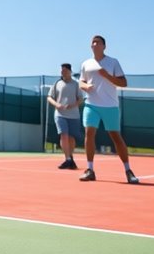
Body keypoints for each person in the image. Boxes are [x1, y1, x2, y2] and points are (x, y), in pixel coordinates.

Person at [78, 35, 139, 184]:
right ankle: (90, 170)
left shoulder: (113, 62)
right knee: (89, 133)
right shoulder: (86, 64)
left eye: (98, 42)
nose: (94, 44)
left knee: (116, 137)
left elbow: (123, 83)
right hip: (91, 104)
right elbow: (81, 82)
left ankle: (128, 170)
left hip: (110, 106)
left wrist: (106, 76)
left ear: (104, 46)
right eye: (93, 42)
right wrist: (86, 86)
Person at [47, 63, 84, 170]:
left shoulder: (76, 84)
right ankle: (67, 159)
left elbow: (81, 99)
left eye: (65, 70)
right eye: (62, 70)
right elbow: (49, 97)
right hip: (60, 114)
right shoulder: (57, 83)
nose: (63, 72)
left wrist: (73, 105)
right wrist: (57, 104)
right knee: (63, 135)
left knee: (71, 138)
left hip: (74, 115)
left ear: (70, 72)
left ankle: (70, 159)